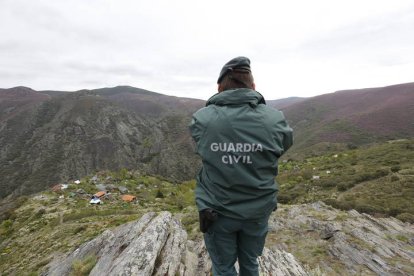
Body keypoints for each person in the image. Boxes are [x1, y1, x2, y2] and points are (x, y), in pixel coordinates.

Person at [189, 56, 293, 275]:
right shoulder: (275, 119)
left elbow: (201, 144)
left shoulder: (202, 119)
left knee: (223, 267)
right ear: (253, 86)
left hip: (217, 212)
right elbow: (283, 145)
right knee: (250, 263)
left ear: (219, 88)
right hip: (257, 210)